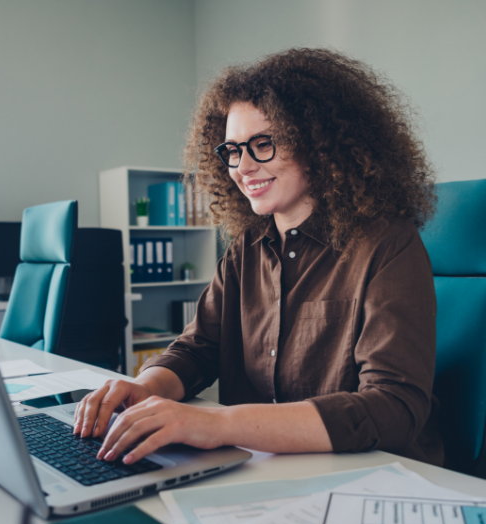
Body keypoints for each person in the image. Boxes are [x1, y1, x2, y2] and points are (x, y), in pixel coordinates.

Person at [73, 48, 442, 466]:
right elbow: (199, 348)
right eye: (232, 149)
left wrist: (218, 425)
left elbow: (394, 406)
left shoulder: (387, 243)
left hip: (371, 474)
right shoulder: (246, 246)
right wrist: (145, 387)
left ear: (322, 145)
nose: (243, 166)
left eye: (263, 144)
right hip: (263, 468)